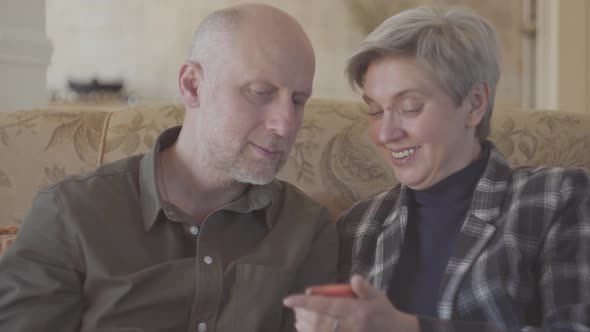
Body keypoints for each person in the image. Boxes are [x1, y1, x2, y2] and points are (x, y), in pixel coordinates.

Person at [0, 3, 338, 331]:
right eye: (260, 92)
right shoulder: (69, 214)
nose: (286, 123)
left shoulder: (305, 228)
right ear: (192, 85)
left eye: (298, 101)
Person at [284, 5, 590, 332]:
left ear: (474, 104)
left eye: (409, 106)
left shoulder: (555, 198)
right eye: (374, 110)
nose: (386, 133)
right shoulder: (359, 225)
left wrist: (408, 327)